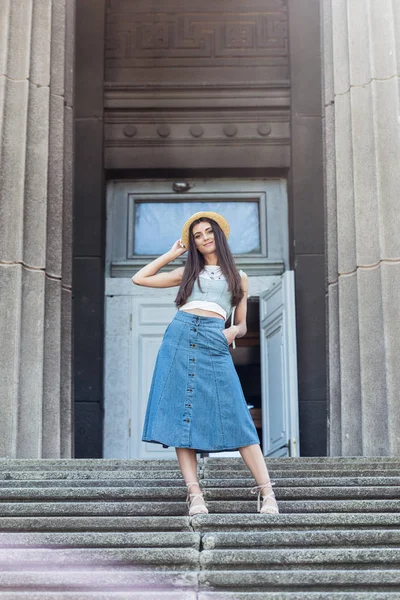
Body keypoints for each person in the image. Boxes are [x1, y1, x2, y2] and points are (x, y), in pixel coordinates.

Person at [132, 211, 278, 516]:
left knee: (237, 414)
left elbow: (242, 325)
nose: (204, 238)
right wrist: (173, 253)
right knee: (181, 415)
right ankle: (195, 494)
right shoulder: (188, 273)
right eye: (197, 236)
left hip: (214, 338)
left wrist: (231, 332)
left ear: (219, 235)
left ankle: (267, 494)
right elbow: (140, 278)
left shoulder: (239, 278)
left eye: (208, 232)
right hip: (180, 335)